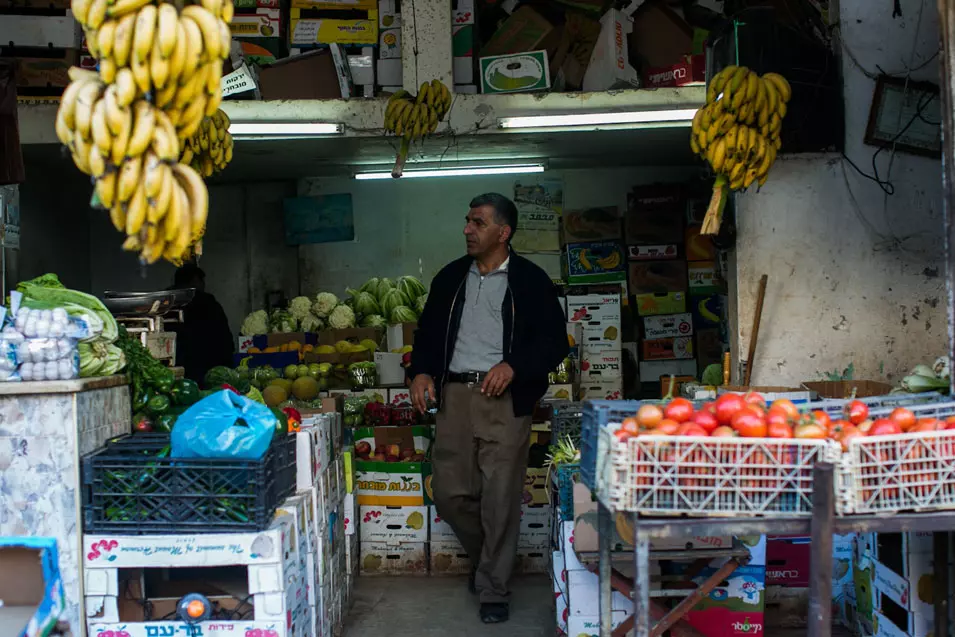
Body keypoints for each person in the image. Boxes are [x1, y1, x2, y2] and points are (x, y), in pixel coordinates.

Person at [408, 193, 567, 624]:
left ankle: (494, 588)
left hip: (504, 401)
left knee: (498, 498)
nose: (467, 229)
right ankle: (488, 566)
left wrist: (515, 366)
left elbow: (554, 342)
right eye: (467, 221)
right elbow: (426, 333)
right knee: (449, 493)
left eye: (477, 223)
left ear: (503, 231)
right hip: (455, 397)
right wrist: (421, 372)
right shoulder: (450, 278)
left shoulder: (531, 281)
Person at [170, 264, 234, 384]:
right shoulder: (207, 302)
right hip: (207, 366)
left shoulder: (166, 303)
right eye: (202, 281)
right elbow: (224, 337)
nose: (204, 285)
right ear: (195, 281)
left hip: (178, 368)